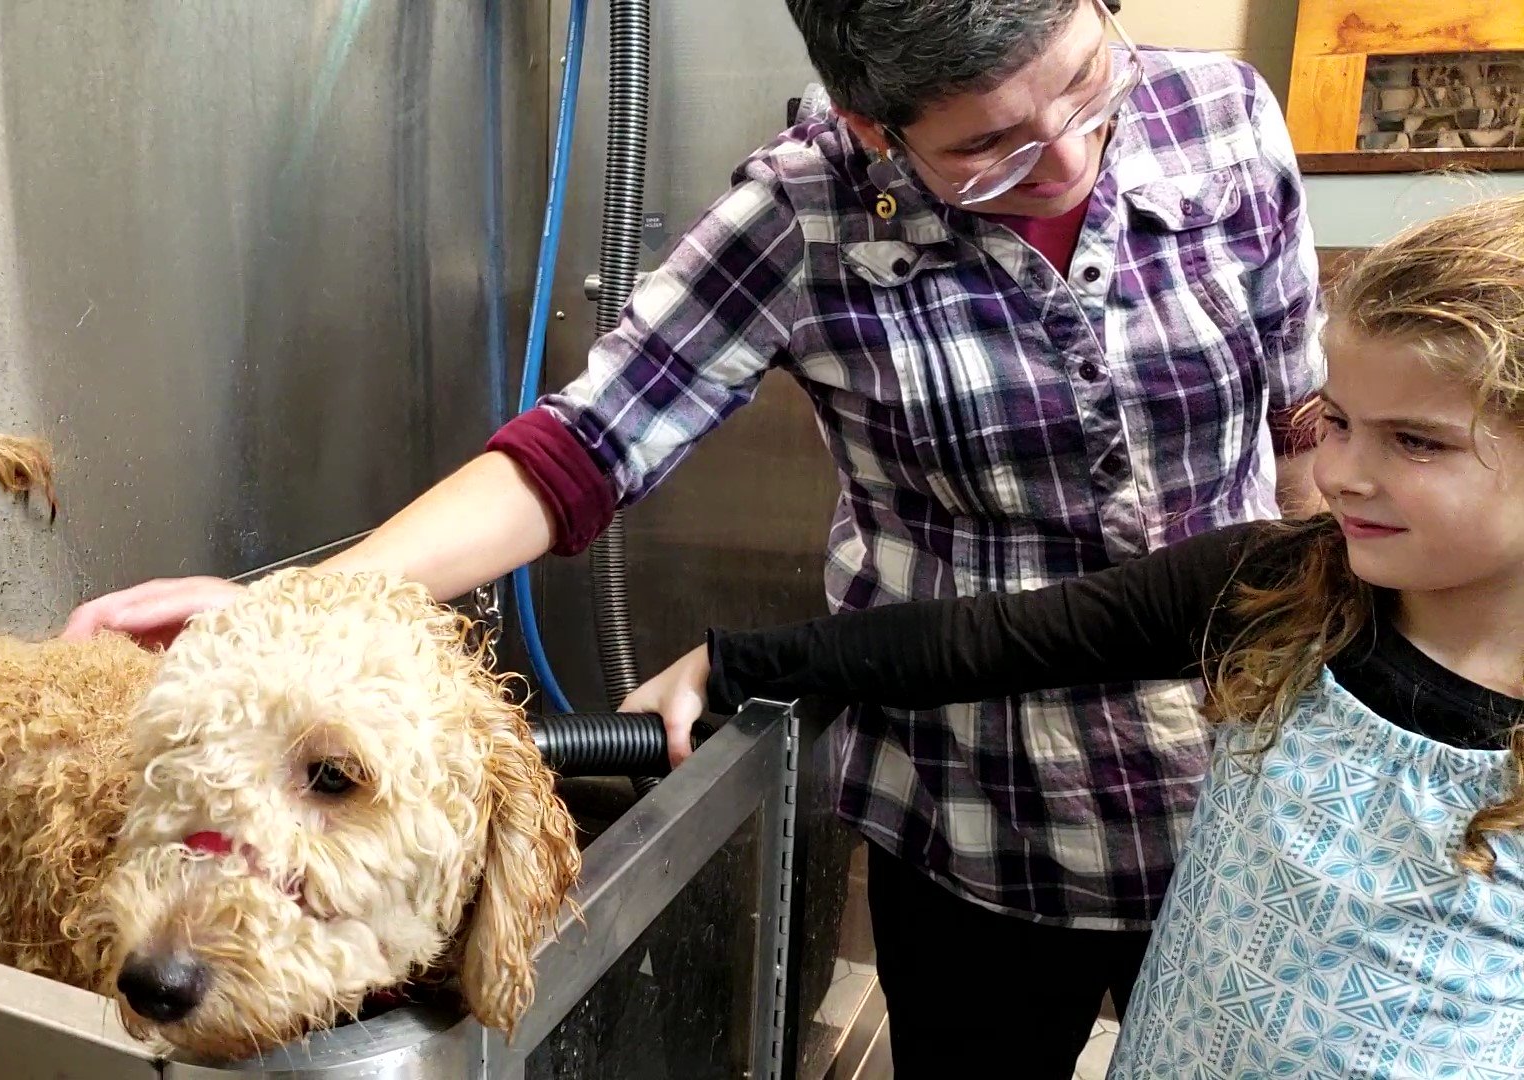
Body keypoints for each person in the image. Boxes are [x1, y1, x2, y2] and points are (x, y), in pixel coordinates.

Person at [64, 1, 1323, 1072]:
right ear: (875, 130)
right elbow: (582, 449)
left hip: (1245, 783)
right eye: (988, 151)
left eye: (1088, 86)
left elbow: (1307, 422)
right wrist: (296, 607)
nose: (1066, 159)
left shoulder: (1223, 117)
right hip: (977, 811)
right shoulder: (804, 210)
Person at [625, 192, 1524, 1077]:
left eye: (1415, 442)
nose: (1338, 475)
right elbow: (996, 638)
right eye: (1335, 423)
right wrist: (733, 661)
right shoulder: (1278, 586)